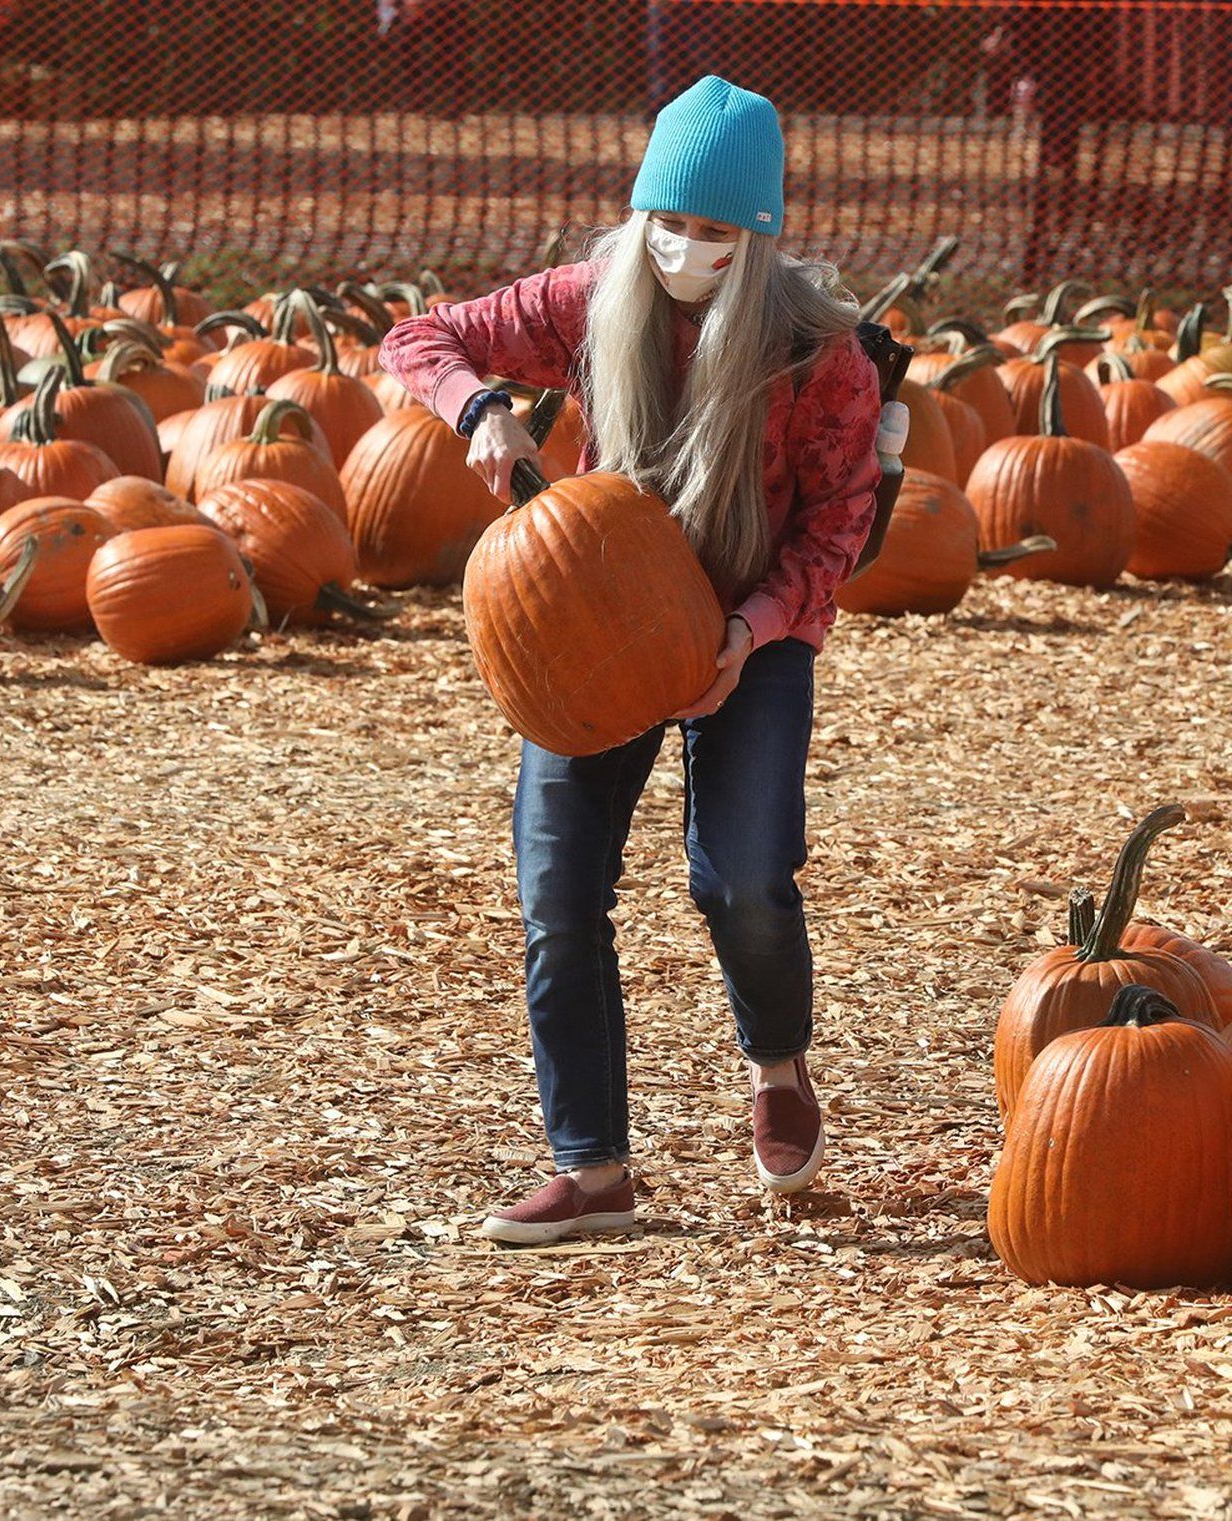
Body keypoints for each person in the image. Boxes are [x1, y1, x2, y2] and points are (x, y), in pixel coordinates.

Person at [377, 76, 881, 1246]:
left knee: (741, 876)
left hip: (752, 624)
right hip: (600, 613)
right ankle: (592, 1169)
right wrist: (477, 411)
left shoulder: (819, 353)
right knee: (558, 896)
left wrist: (748, 634)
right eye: (668, 221)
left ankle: (778, 1068)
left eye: (713, 232)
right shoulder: (595, 300)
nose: (685, 248)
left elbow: (838, 529)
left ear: (755, 240)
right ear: (641, 214)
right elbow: (421, 336)